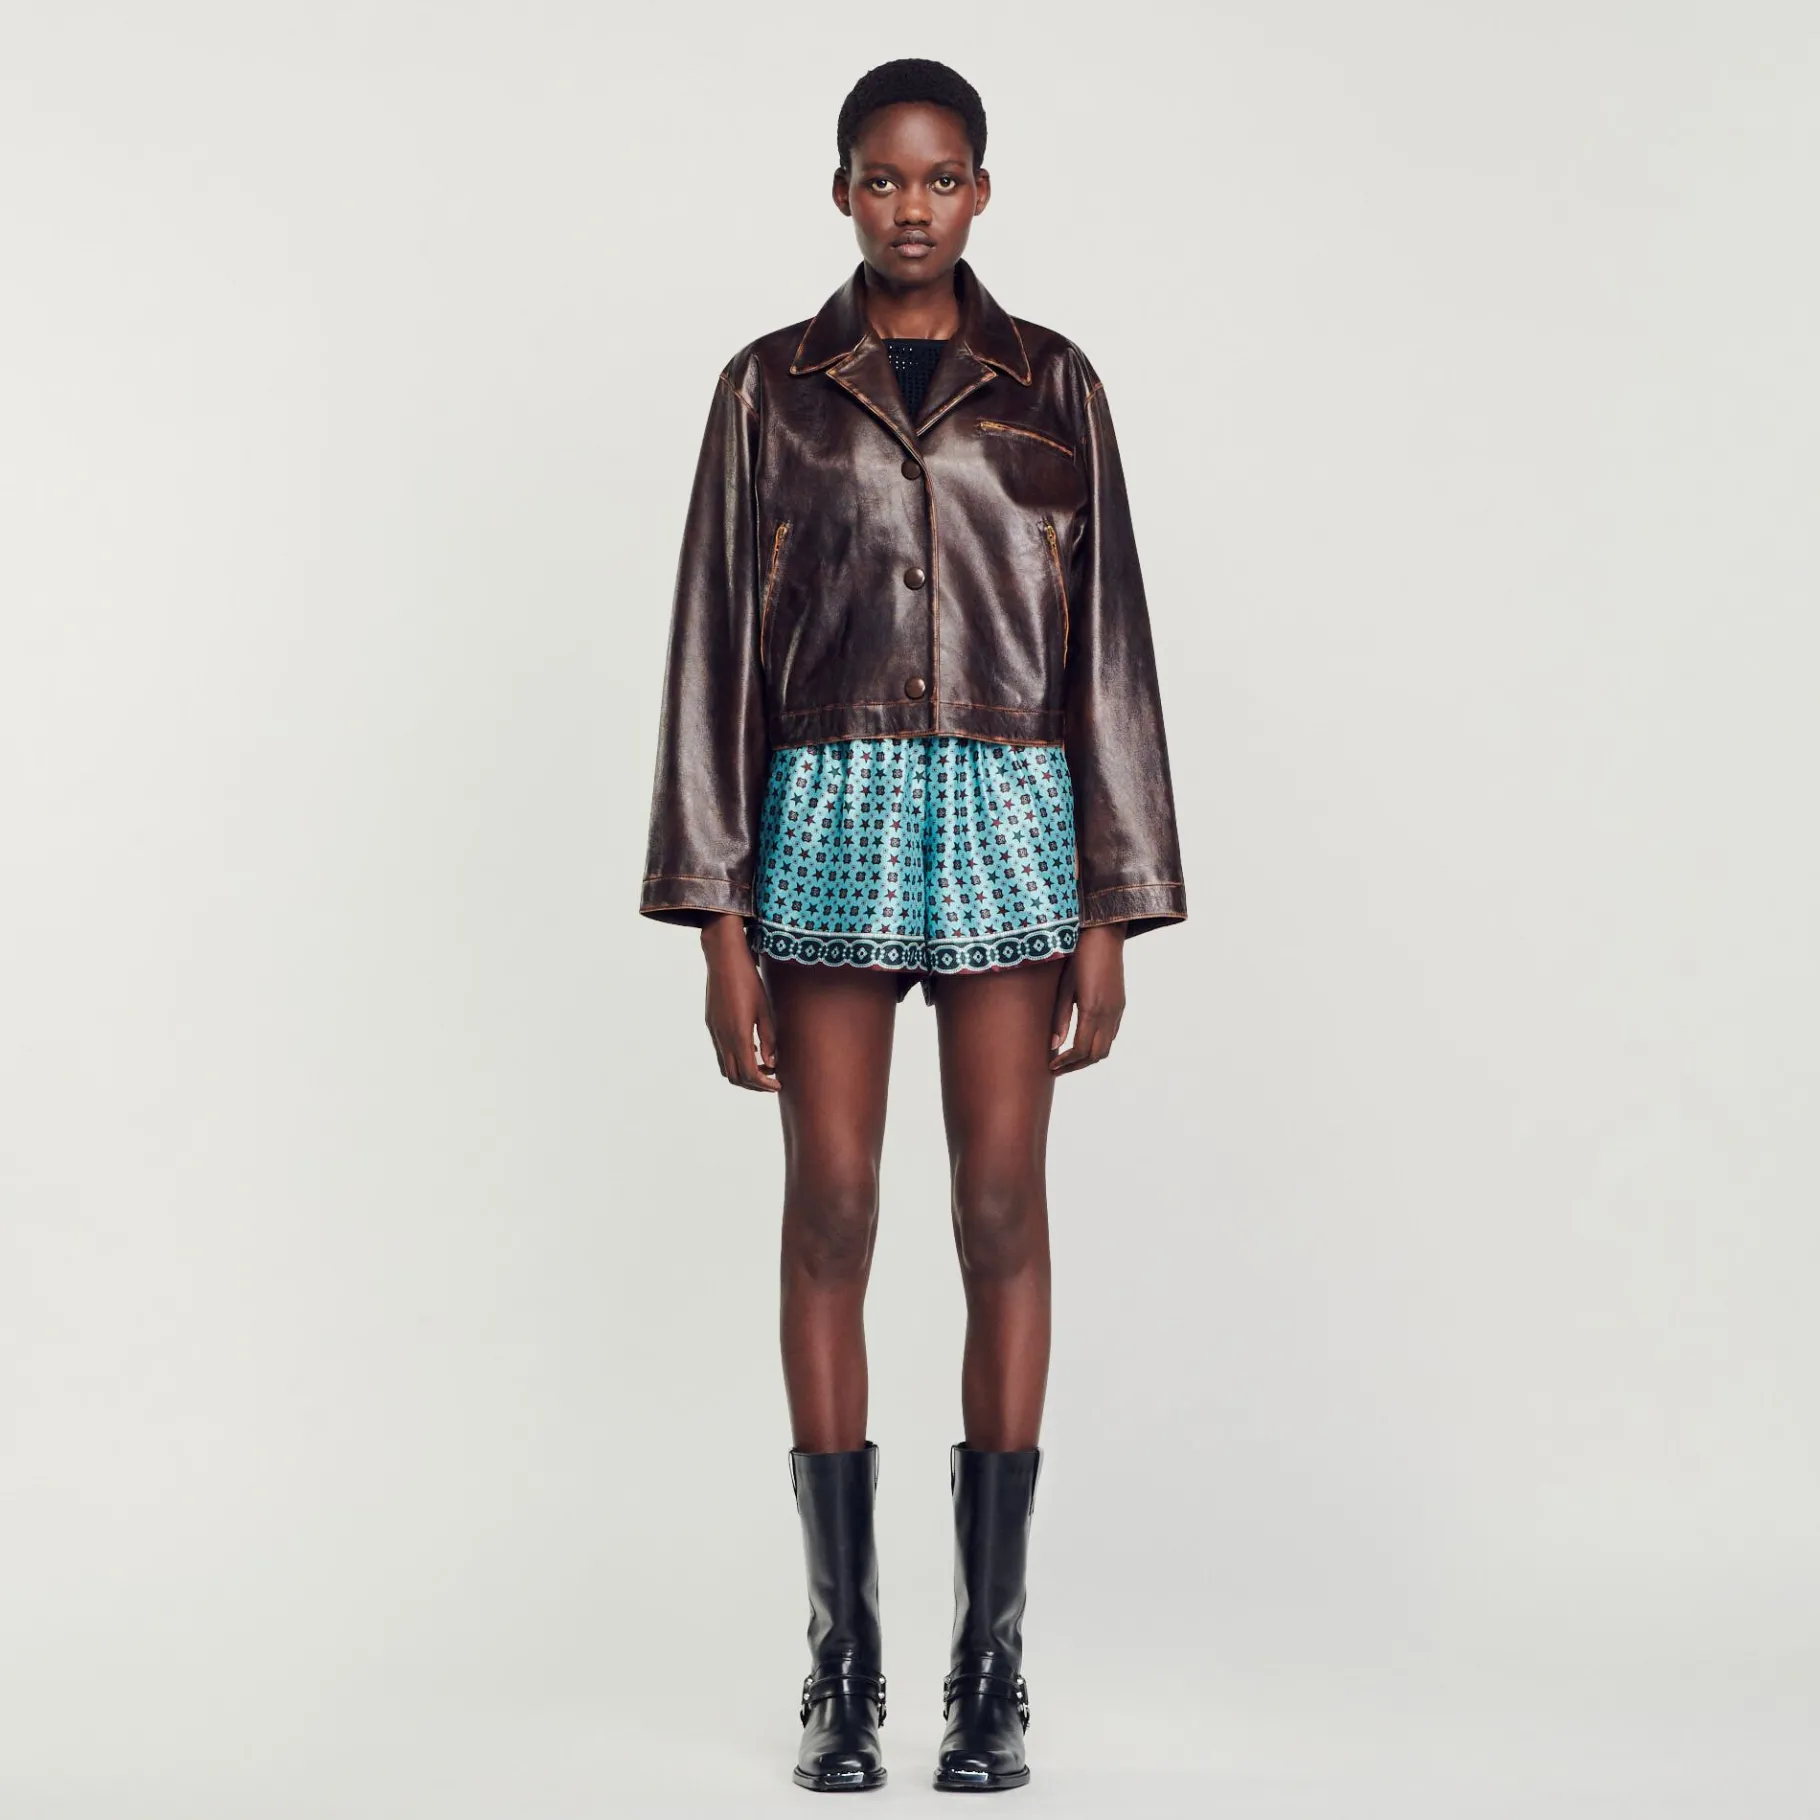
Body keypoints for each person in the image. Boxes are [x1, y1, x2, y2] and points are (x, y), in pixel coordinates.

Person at [639, 57, 1186, 1794]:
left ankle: (990, 1668)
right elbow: (713, 649)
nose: (911, 208)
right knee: (834, 1205)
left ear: (983, 192)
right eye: (882, 179)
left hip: (1017, 815)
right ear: (840, 193)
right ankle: (843, 1666)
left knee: (1000, 1207)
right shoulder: (768, 390)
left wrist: (1115, 906)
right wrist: (717, 919)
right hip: (826, 813)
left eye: (940, 178)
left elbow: (1108, 644)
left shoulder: (1055, 385)